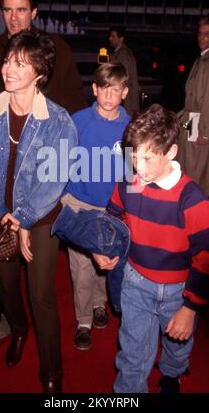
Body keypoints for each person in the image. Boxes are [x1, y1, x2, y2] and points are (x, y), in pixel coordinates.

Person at [0, 0, 85, 328]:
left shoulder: (55, 50)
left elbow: (73, 107)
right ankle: (1, 300)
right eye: (7, 10)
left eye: (21, 10)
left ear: (34, 12)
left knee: (39, 272)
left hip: (40, 173)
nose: (14, 17)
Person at [0, 30, 78, 393]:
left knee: (41, 294)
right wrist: (1, 213)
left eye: (19, 63)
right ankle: (18, 330)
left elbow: (56, 178)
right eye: (7, 61)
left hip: (40, 214)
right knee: (7, 285)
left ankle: (52, 372)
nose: (8, 69)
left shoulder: (59, 121)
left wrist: (25, 218)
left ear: (39, 72)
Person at [93, 103, 209, 393]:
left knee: (178, 344)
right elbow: (113, 216)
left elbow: (208, 259)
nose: (137, 166)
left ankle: (172, 373)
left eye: (148, 158)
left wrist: (190, 308)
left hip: (180, 289)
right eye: (133, 156)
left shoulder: (192, 198)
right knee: (132, 354)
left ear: (172, 152)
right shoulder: (131, 181)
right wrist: (105, 247)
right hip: (136, 282)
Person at [61, 63, 131, 350]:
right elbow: (62, 160)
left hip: (112, 208)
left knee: (106, 261)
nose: (109, 95)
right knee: (81, 268)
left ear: (125, 92)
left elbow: (130, 170)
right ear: (94, 89)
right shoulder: (77, 121)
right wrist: (63, 198)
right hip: (80, 203)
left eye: (115, 89)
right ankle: (84, 321)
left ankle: (101, 304)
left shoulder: (130, 126)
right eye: (104, 88)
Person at [177, 12, 209, 199]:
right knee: (192, 176)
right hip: (192, 123)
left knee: (197, 177)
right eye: (200, 33)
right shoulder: (204, 60)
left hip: (200, 128)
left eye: (207, 34)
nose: (202, 37)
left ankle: (194, 219)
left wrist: (205, 132)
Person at [108, 26, 139, 115]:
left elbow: (126, 78)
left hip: (126, 102)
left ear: (121, 39)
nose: (110, 38)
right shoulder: (119, 53)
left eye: (113, 36)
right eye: (110, 36)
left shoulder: (124, 54)